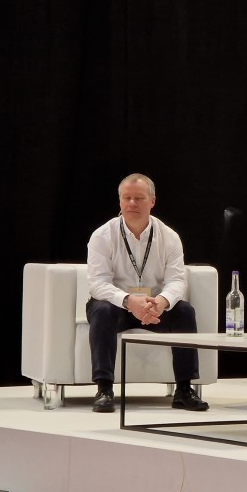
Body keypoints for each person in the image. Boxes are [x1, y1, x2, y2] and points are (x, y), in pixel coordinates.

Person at [85, 173, 210, 413]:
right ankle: (104, 389)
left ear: (152, 201)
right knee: (101, 309)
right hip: (116, 306)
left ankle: (184, 389)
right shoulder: (102, 235)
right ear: (120, 201)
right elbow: (98, 284)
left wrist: (162, 302)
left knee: (184, 311)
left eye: (139, 198)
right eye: (127, 198)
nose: (132, 203)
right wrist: (129, 301)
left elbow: (176, 280)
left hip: (153, 307)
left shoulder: (169, 236)